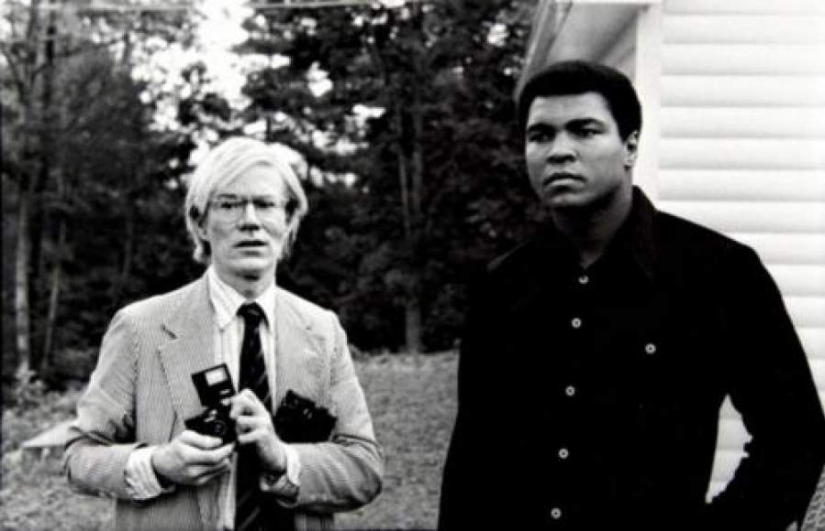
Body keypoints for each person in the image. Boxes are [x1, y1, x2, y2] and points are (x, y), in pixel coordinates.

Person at [438, 60, 825, 531]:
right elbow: (472, 459)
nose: (559, 151)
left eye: (584, 131)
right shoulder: (501, 285)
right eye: (540, 136)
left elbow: (795, 438)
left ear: (631, 145)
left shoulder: (718, 273)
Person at [65, 137, 383, 531]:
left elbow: (364, 468)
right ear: (200, 223)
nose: (250, 220)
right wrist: (158, 464)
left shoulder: (323, 330)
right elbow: (79, 456)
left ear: (289, 220)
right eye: (230, 205)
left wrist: (283, 459)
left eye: (265, 204)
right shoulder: (139, 328)